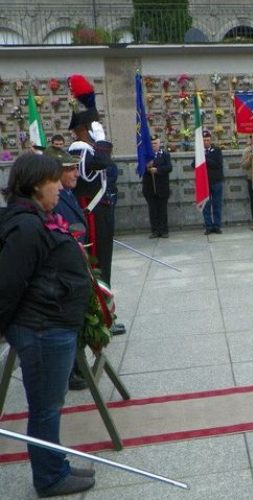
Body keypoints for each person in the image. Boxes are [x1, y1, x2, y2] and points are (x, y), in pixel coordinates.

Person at [0, 154, 96, 497]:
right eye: (55, 180)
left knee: (50, 405)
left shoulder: (37, 218)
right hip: (42, 328)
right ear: (37, 184)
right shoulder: (26, 227)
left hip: (52, 323)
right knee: (45, 408)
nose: (59, 186)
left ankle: (56, 464)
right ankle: (50, 476)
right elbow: (8, 285)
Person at [66, 74, 125, 336]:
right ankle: (101, 317)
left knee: (102, 266)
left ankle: (105, 314)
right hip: (93, 217)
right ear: (83, 130)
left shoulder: (84, 149)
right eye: (93, 127)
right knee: (98, 267)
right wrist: (100, 140)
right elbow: (102, 163)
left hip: (97, 213)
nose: (96, 131)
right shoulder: (80, 148)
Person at [45, 148, 90, 391]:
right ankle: (70, 370)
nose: (76, 173)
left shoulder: (67, 194)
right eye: (70, 169)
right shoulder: (54, 200)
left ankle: (76, 365)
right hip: (64, 273)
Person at [142, 135, 172, 238]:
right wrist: (147, 167)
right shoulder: (146, 156)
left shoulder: (165, 155)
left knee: (163, 210)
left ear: (159, 144)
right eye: (151, 144)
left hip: (162, 188)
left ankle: (164, 231)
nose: (153, 145)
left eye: (155, 143)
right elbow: (140, 169)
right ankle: (155, 231)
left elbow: (169, 167)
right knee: (153, 211)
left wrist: (157, 170)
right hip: (150, 188)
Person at [195, 130, 224, 234]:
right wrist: (201, 159)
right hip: (204, 183)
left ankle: (217, 226)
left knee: (217, 205)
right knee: (206, 207)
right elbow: (194, 164)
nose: (206, 142)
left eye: (208, 140)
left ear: (211, 140)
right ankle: (208, 226)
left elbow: (218, 164)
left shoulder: (217, 150)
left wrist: (205, 159)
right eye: (204, 140)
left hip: (216, 182)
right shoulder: (199, 152)